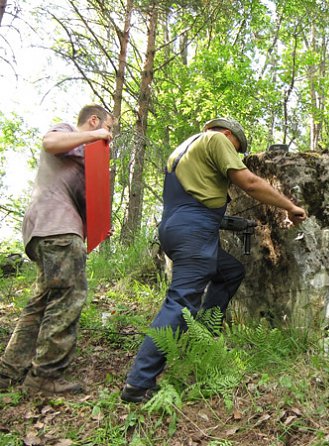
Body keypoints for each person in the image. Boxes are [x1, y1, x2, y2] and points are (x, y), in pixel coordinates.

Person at [121, 117, 307, 403]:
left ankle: (201, 336)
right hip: (194, 233)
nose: (236, 155)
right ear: (229, 135)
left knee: (230, 272)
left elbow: (195, 202)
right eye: (238, 148)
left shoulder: (183, 149)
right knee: (181, 300)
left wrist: (233, 222)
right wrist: (290, 207)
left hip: (175, 227)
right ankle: (139, 383)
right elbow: (249, 182)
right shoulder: (217, 140)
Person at [0, 104, 114, 395]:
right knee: (68, 296)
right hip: (56, 228)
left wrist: (98, 227)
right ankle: (45, 377)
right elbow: (49, 143)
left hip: (50, 230)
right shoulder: (67, 131)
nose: (108, 134)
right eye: (108, 127)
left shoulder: (83, 157)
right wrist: (97, 135)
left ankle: (9, 371)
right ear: (93, 120)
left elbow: (83, 203)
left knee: (41, 300)